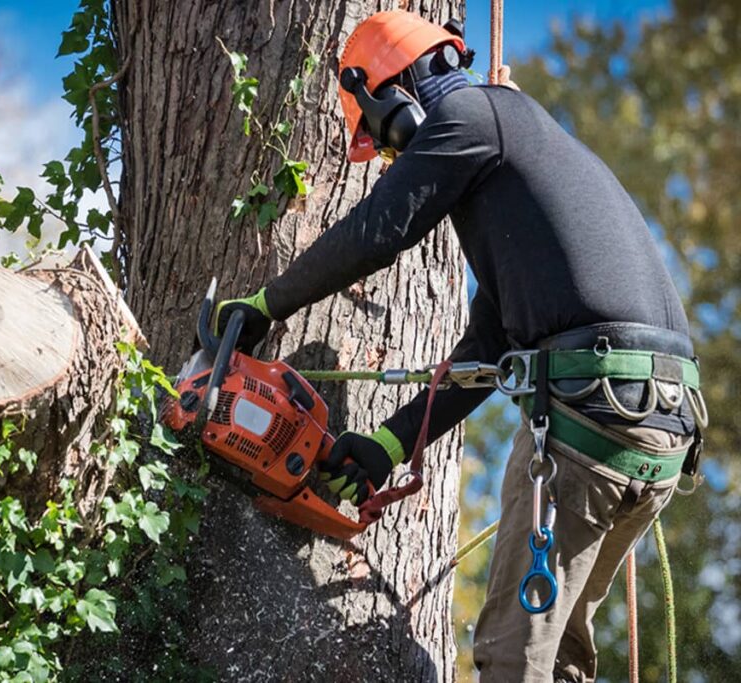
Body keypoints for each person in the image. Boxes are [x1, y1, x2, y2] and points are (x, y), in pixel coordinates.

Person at [214, 10, 705, 683]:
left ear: (397, 94)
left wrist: (265, 305)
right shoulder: (522, 169)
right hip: (658, 429)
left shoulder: (472, 116)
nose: (392, 158)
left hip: (594, 418)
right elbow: (486, 351)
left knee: (511, 661)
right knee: (556, 660)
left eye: (384, 139)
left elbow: (378, 228)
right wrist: (387, 445)